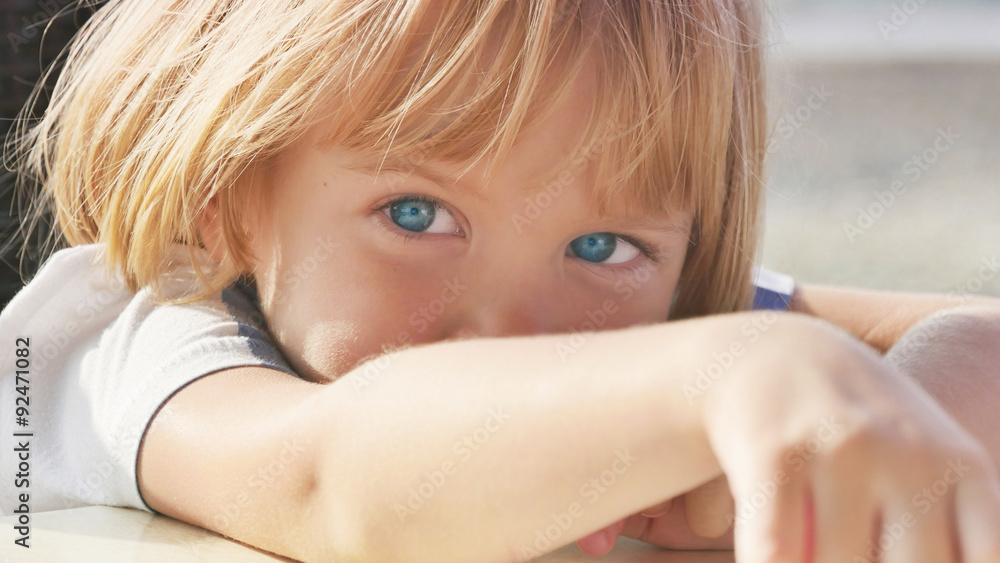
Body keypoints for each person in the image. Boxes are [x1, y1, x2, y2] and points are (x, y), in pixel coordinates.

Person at [2, 0, 999, 561]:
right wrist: (732, 377)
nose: (520, 338)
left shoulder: (656, 328)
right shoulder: (134, 336)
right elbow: (326, 478)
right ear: (227, 200)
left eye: (601, 245)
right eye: (415, 215)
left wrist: (867, 438)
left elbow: (979, 329)